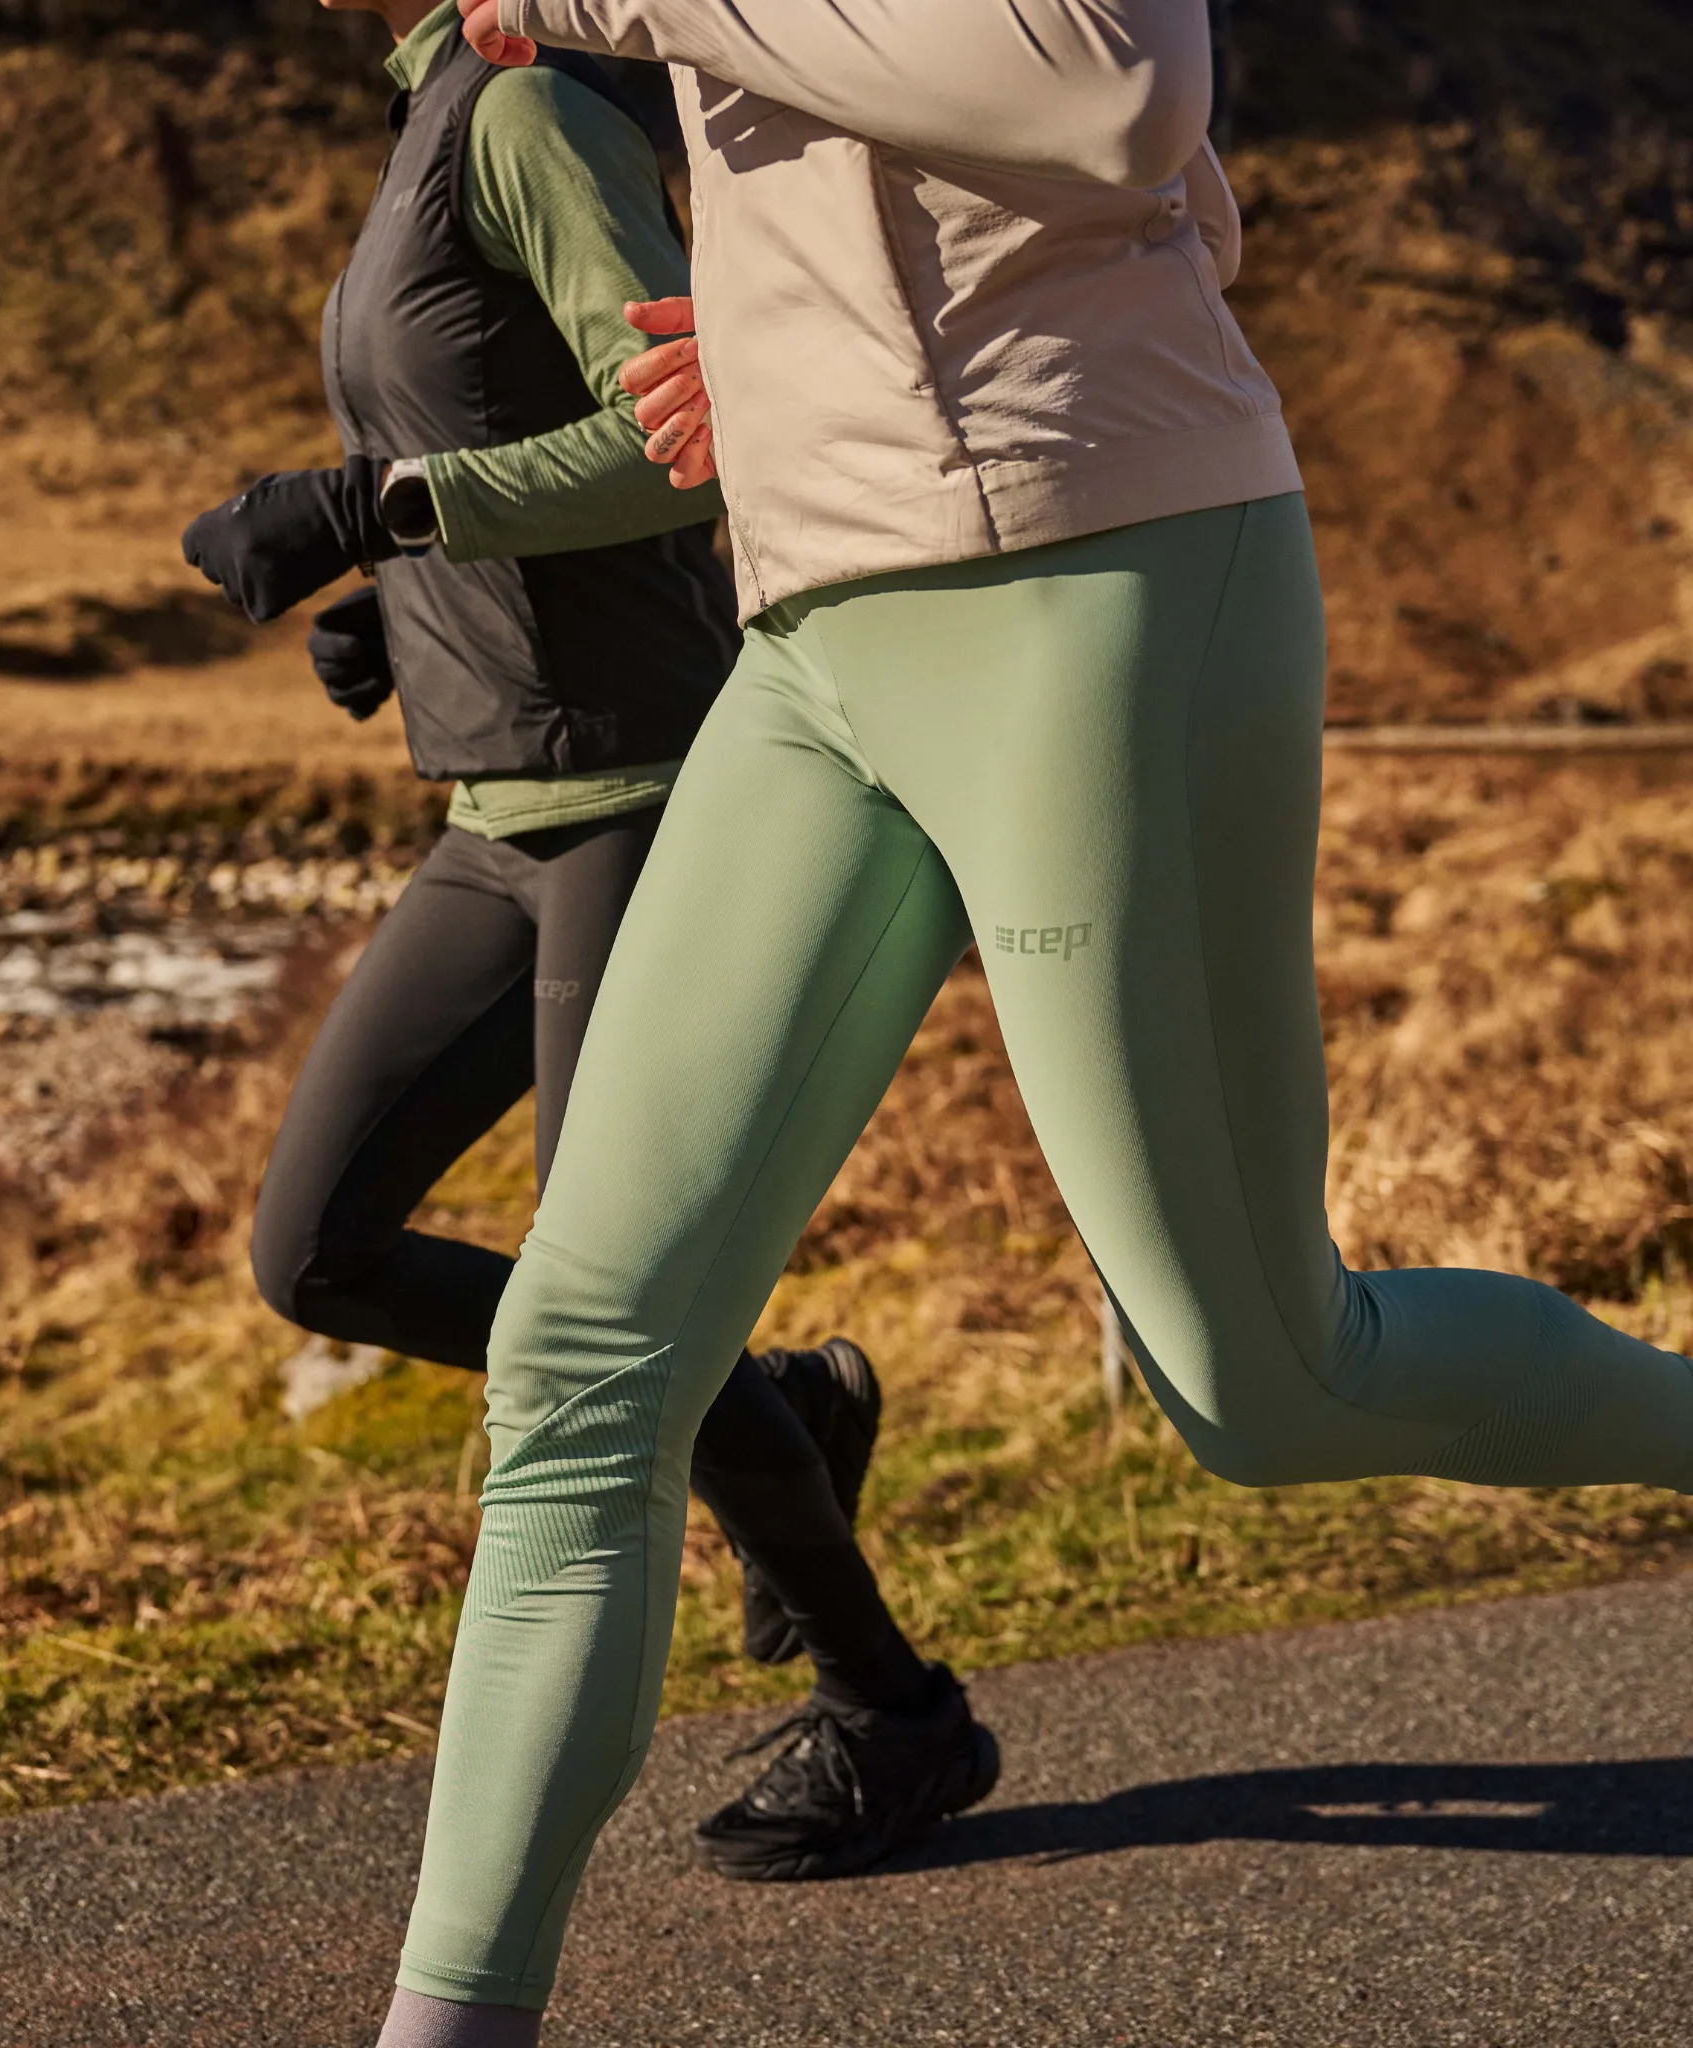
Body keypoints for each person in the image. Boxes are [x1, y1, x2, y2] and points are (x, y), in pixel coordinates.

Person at [362, 0, 1693, 2041]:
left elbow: (1106, 88)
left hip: (1095, 564)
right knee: (579, 1356)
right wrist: (779, 356)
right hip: (816, 628)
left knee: (1264, 1388)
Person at [178, 0, 997, 1896]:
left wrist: (378, 509)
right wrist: (400, 601)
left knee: (605, 1315)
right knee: (316, 1252)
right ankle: (783, 1403)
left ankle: (897, 1713)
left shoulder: (534, 108)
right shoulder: (426, 121)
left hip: (645, 793)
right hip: (495, 813)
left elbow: (684, 444)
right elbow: (484, 421)